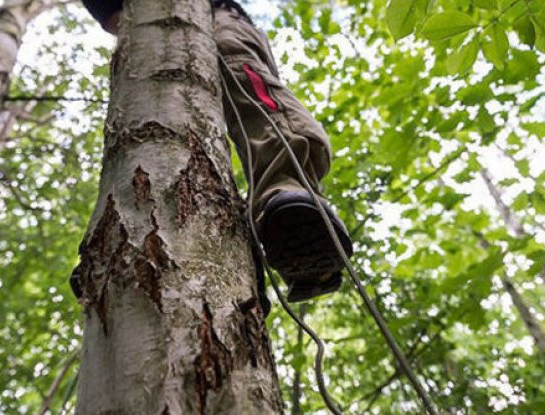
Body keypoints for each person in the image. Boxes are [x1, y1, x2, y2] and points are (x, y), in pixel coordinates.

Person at [80, 0, 354, 302]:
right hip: (149, 31)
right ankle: (124, 238)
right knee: (144, 117)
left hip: (216, 18)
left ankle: (288, 197)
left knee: (246, 83)